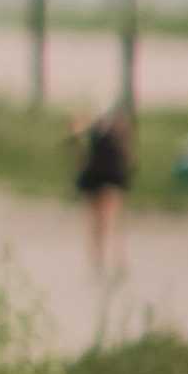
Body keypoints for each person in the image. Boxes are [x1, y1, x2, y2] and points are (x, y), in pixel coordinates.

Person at [72, 103, 132, 277]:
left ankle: (111, 260)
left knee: (106, 222)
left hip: (105, 179)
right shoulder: (95, 130)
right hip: (99, 178)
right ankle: (104, 260)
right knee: (99, 223)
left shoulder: (112, 131)